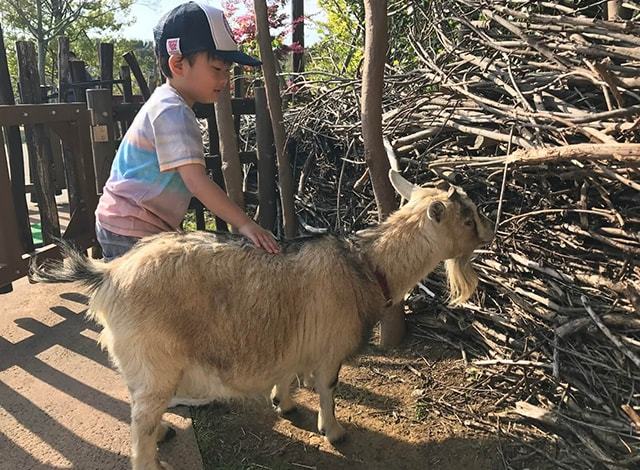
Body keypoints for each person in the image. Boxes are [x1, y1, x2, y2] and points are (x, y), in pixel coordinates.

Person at [94, 1, 279, 261]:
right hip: (131, 226)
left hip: (129, 222)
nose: (224, 80)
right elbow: (197, 182)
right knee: (150, 300)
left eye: (227, 70)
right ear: (178, 64)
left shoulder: (167, 104)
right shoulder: (172, 111)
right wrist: (246, 224)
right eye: (216, 69)